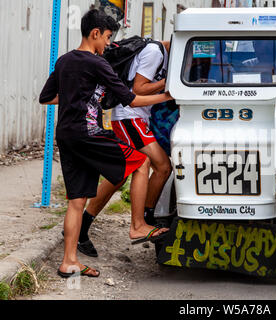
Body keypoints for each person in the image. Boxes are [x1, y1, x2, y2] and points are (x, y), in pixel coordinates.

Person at [39, 9, 172, 277]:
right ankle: (137, 225)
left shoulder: (64, 60)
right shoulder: (98, 63)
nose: (110, 44)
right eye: (108, 37)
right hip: (89, 132)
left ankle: (69, 262)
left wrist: (76, 97)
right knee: (141, 160)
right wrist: (167, 95)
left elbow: (47, 97)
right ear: (95, 33)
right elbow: (132, 99)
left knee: (77, 201)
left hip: (66, 134)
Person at [72, 37, 174, 257]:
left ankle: (81, 226)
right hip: (129, 116)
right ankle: (143, 221)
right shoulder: (155, 52)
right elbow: (138, 88)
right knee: (162, 166)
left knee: (119, 174)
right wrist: (169, 83)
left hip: (135, 117)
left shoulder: (161, 54)